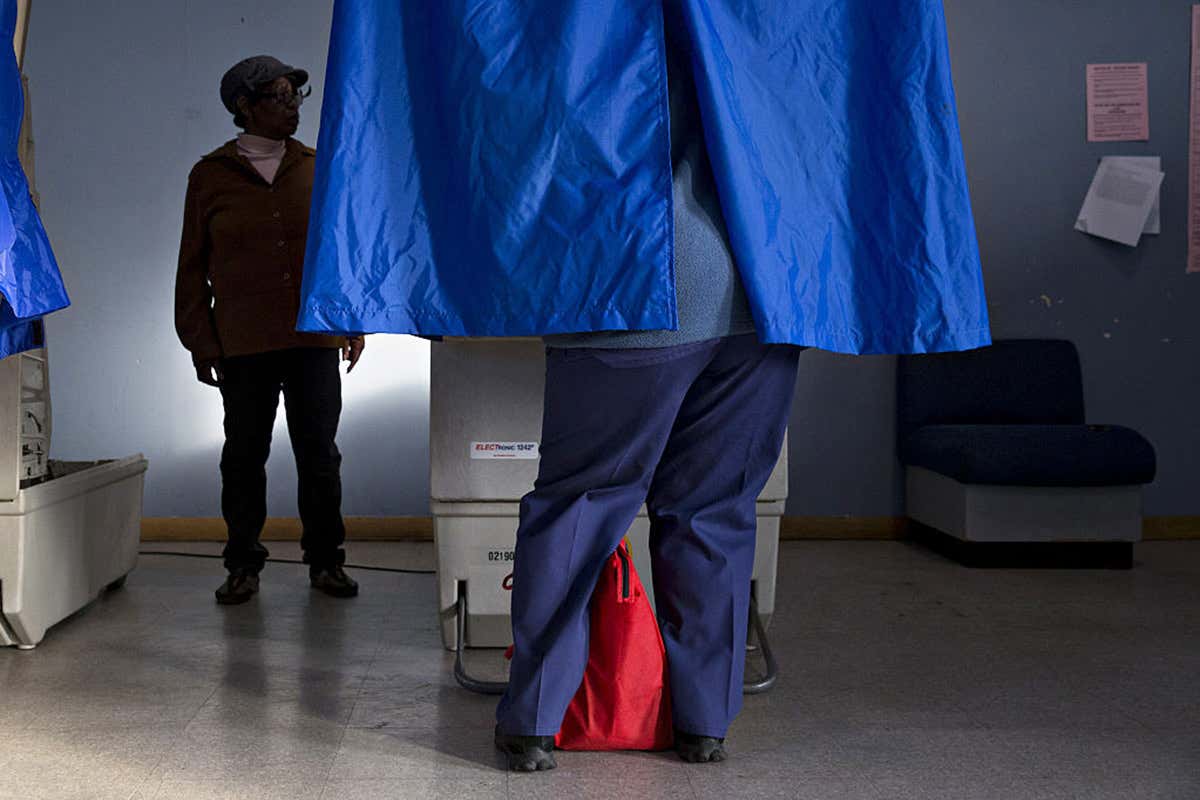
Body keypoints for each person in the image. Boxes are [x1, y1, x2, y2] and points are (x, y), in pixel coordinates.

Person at [493, 8, 803, 770]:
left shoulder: (591, 29)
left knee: (581, 501)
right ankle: (705, 721)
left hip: (638, 287)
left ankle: (534, 721)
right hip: (766, 293)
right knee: (715, 510)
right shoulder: (759, 27)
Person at [175, 55, 365, 606]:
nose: (292, 107)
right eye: (279, 97)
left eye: (295, 96)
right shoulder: (210, 176)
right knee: (243, 455)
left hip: (313, 336)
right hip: (243, 342)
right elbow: (192, 263)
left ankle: (326, 561)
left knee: (319, 454)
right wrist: (200, 341)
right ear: (245, 106)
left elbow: (341, 252)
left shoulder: (315, 166)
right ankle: (242, 565)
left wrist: (353, 320)